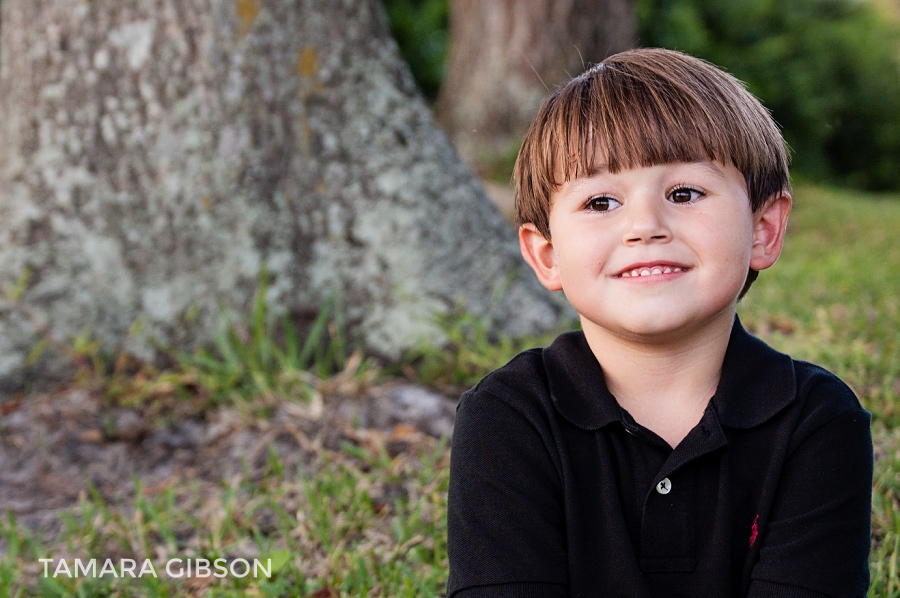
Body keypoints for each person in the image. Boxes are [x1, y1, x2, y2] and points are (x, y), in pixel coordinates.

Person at [446, 48, 873, 598]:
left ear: (763, 230)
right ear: (547, 255)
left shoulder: (818, 421)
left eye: (684, 193)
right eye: (601, 202)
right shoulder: (508, 418)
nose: (645, 226)